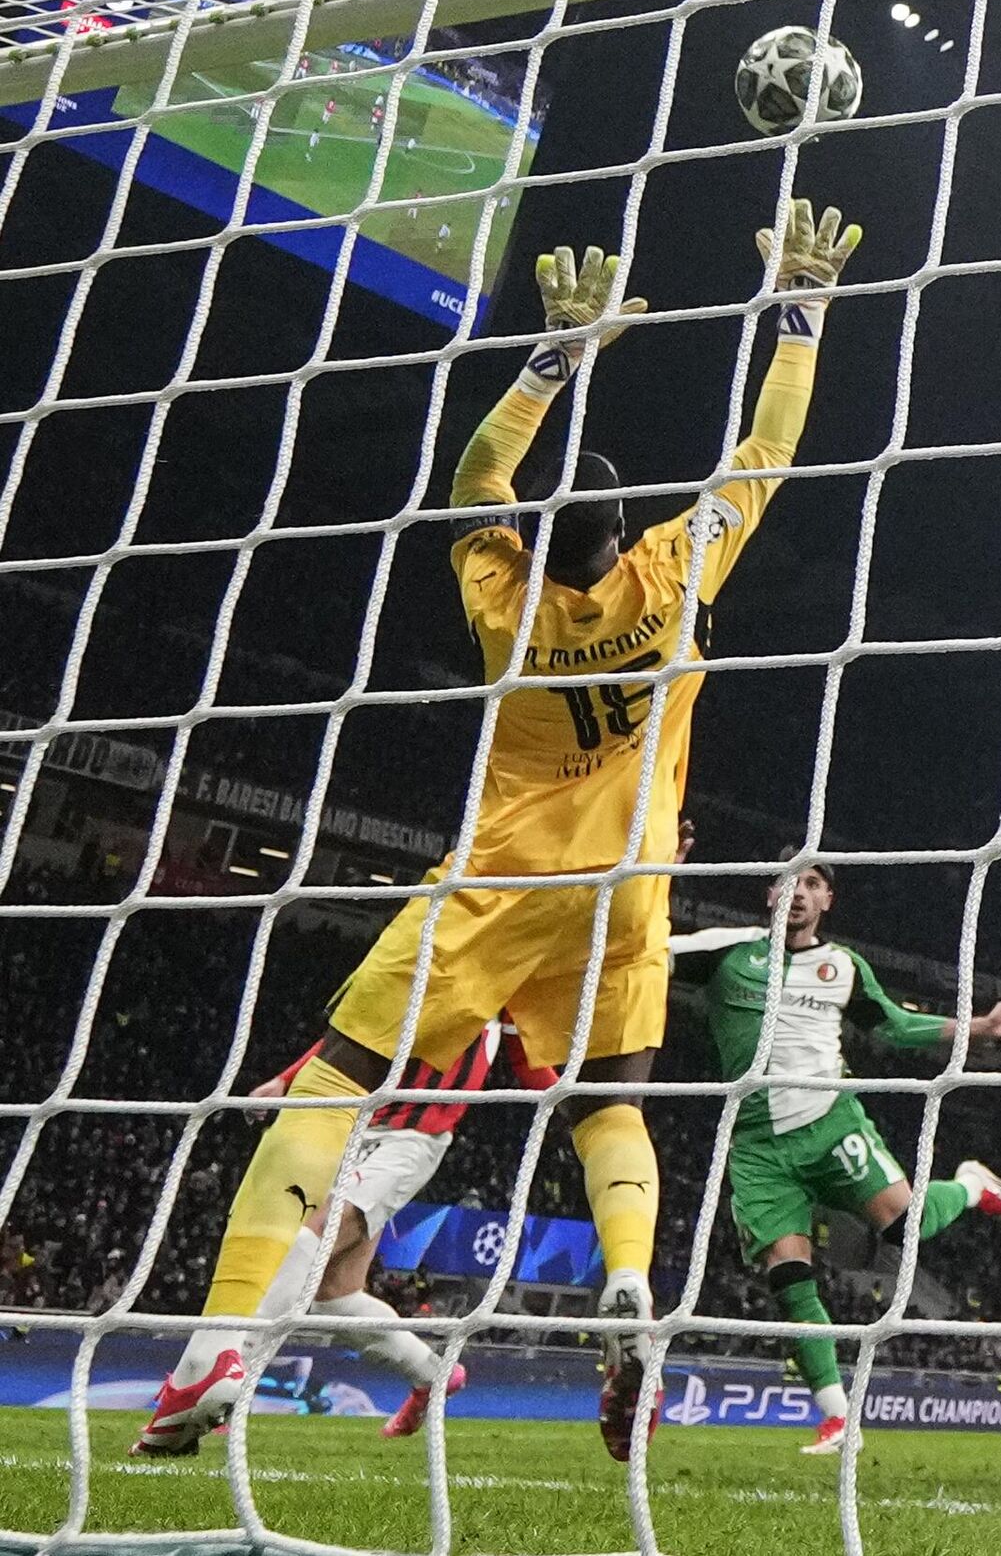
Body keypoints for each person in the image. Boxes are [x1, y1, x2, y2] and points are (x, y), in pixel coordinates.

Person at [132, 199, 860, 1462]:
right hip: (631, 891)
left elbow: (477, 477)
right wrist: (799, 311)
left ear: (537, 542)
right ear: (624, 538)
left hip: (500, 882)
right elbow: (768, 447)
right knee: (609, 1109)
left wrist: (554, 358)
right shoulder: (676, 575)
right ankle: (626, 1286)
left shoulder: (504, 603)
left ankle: (220, 1342)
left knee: (333, 1081)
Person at [671, 856, 1001, 1454]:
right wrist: (657, 879)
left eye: (813, 883)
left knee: (906, 1227)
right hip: (757, 1146)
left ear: (827, 900)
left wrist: (982, 1027)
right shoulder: (725, 951)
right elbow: (643, 957)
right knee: (788, 1277)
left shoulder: (843, 966)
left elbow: (892, 1026)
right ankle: (838, 1418)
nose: (799, 892)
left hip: (829, 1124)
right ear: (770, 894)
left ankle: (973, 1186)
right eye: (790, 881)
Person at [234, 1017, 556, 1440]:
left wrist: (584, 1106)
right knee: (335, 1296)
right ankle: (434, 1376)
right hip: (358, 1127)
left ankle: (231, 1382)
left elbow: (529, 1063)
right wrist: (286, 1079)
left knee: (314, 1240)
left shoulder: (502, 992)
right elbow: (356, 1028)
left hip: (413, 1139)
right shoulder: (408, 982)